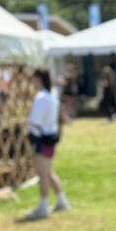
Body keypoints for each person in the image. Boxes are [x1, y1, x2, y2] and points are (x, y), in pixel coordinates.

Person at [25, 69, 70, 219]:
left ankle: (43, 205)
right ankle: (61, 200)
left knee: (42, 173)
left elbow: (35, 120)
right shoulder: (52, 95)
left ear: (38, 80)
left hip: (41, 138)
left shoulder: (41, 97)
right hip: (51, 136)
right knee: (48, 171)